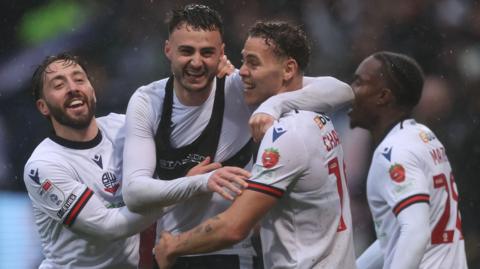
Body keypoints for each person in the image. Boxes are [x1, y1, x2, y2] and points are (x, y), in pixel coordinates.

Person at [122, 5, 355, 269]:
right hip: (170, 251)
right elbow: (134, 192)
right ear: (168, 50)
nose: (196, 62)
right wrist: (200, 181)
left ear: (221, 53)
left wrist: (273, 105)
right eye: (186, 51)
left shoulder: (242, 90)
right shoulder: (147, 101)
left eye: (207, 52)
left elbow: (342, 90)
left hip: (231, 253)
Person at [23, 53, 249, 269]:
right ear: (43, 106)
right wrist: (187, 186)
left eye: (79, 79)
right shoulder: (43, 166)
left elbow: (185, 119)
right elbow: (109, 226)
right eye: (59, 85)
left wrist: (216, 78)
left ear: (92, 90)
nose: (73, 88)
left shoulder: (123, 128)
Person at [350, 52, 467, 269]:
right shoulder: (423, 136)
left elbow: (415, 232)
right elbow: (395, 238)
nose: (351, 91)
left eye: (359, 82)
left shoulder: (394, 152)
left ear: (383, 96)